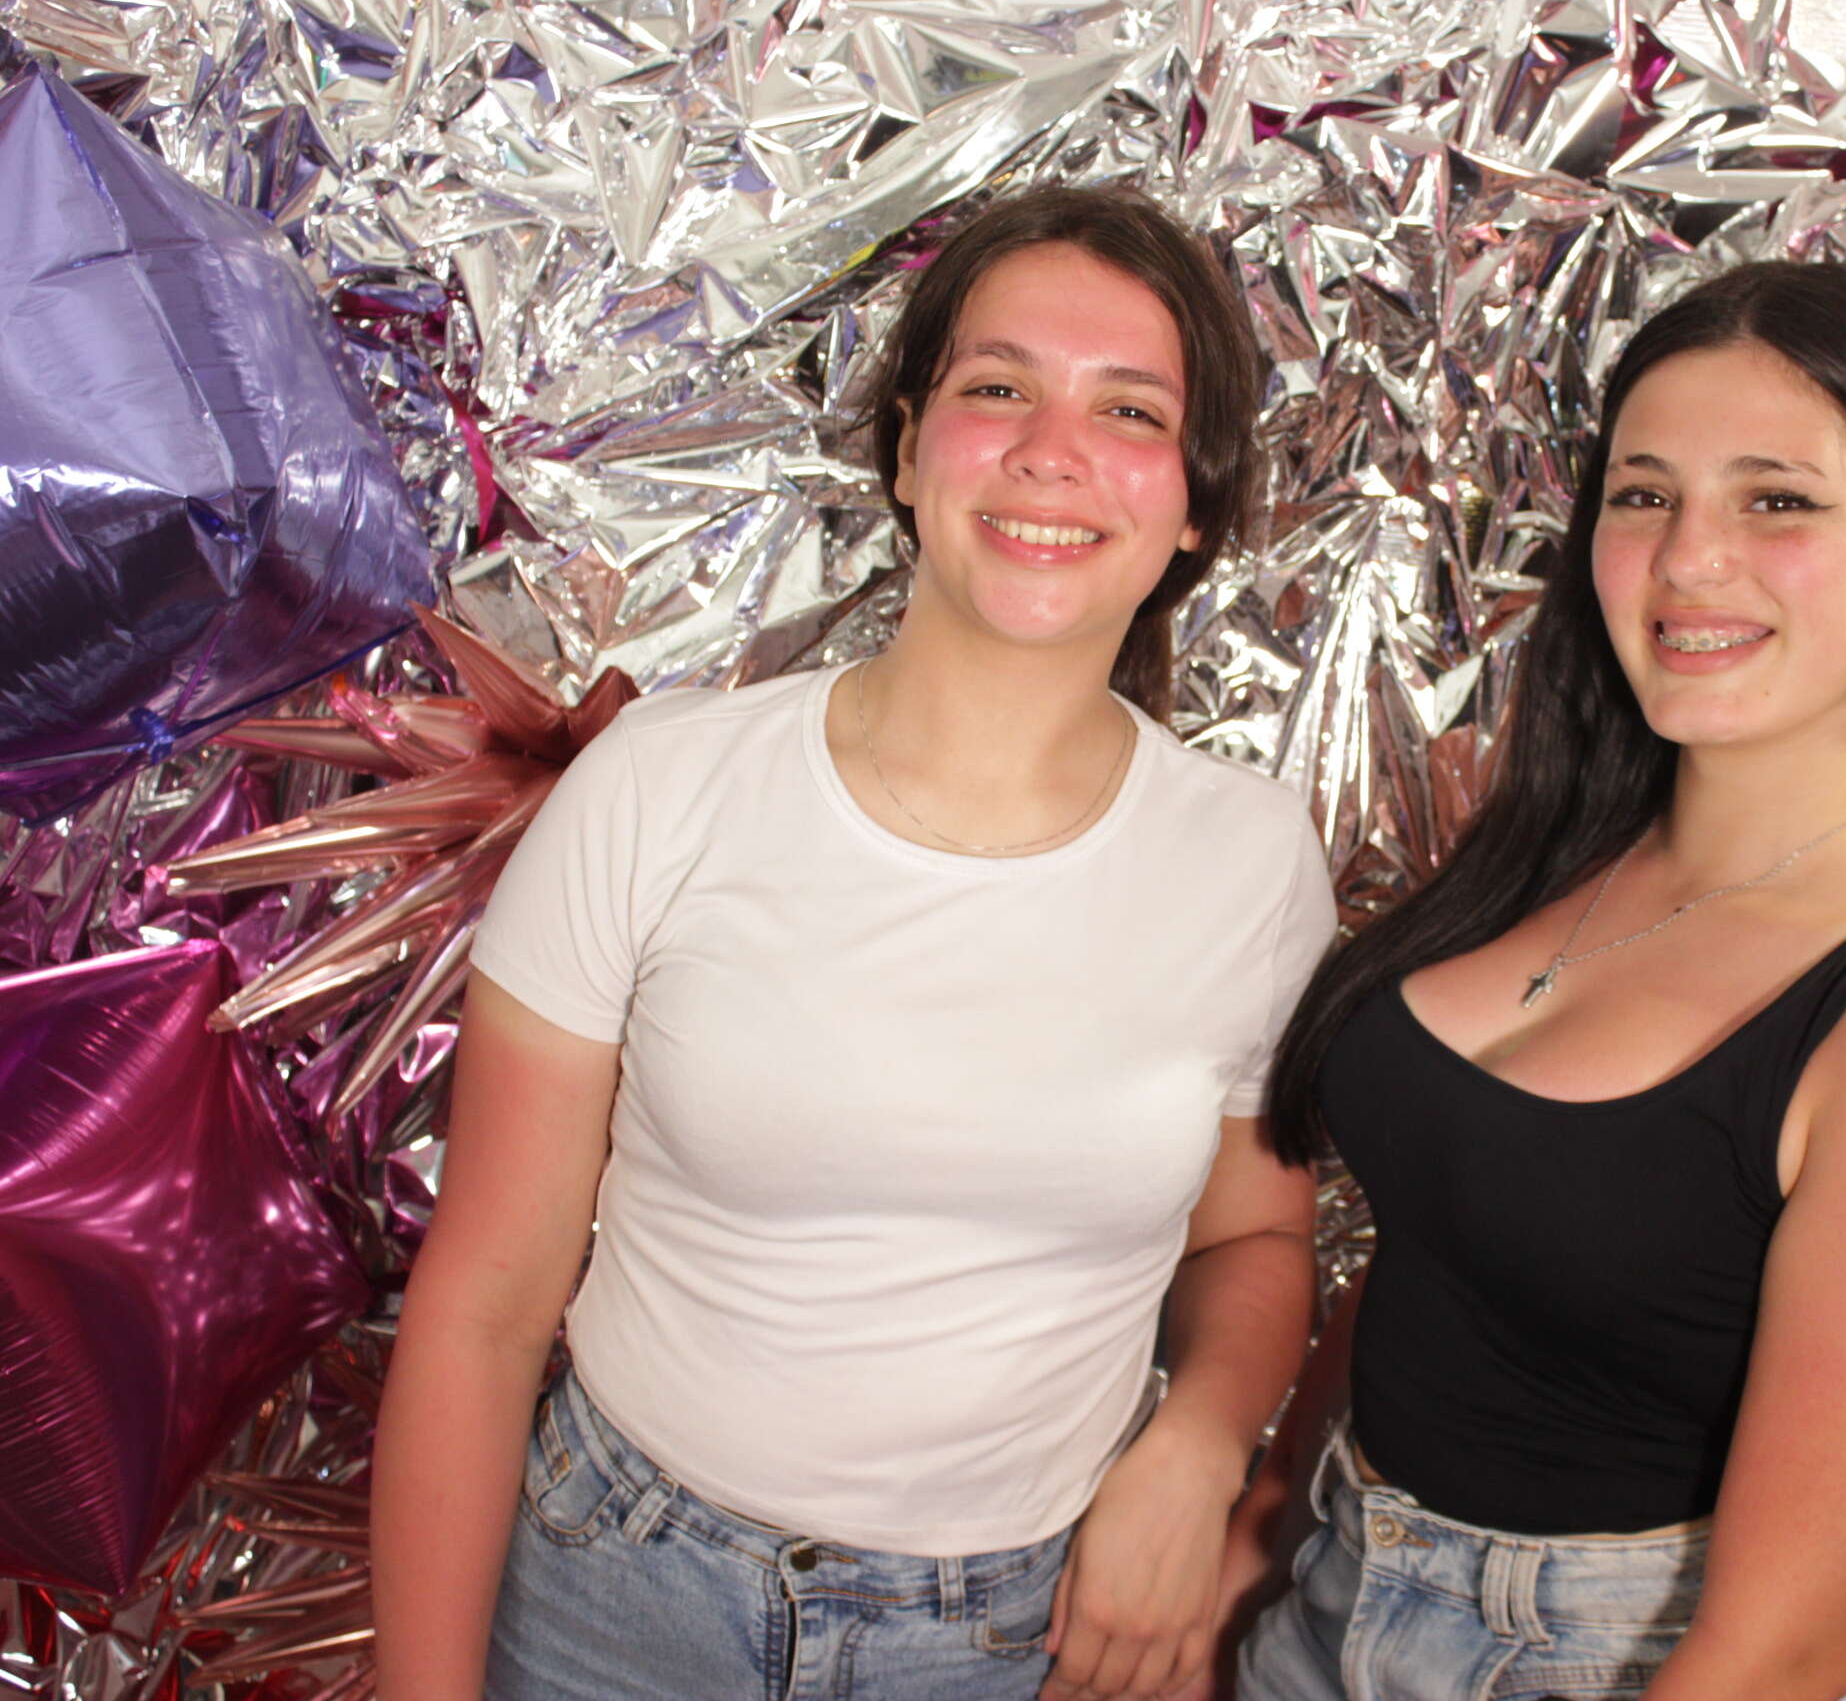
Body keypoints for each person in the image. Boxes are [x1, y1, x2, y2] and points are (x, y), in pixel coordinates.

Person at [370, 185, 1337, 1701]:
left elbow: (1254, 1241)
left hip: (1011, 1637)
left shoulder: (1254, 863)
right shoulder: (660, 786)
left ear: (1195, 505)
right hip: (614, 1593)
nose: (1051, 449)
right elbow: (486, 1305)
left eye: (1130, 410)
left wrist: (1203, 1443)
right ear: (905, 447)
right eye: (997, 387)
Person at [1228, 261, 1846, 1701]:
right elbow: (1455, 1236)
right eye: (1643, 494)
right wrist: (1255, 1528)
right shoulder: (1558, 849)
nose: (1688, 561)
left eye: (1776, 500)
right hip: (1318, 1603)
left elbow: (1780, 1656)